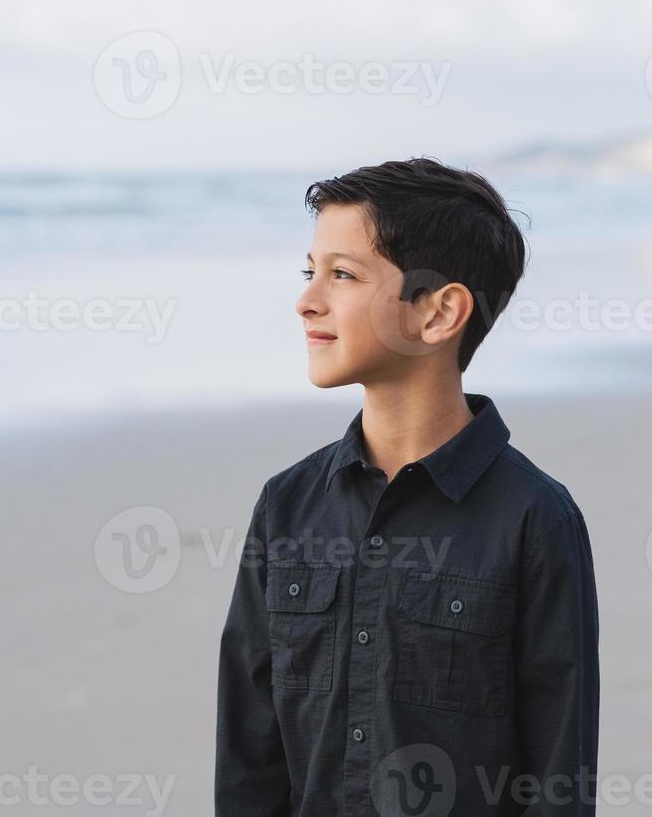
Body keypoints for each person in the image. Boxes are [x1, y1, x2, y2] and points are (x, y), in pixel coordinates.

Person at [214, 156, 600, 817]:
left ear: (440, 312)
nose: (307, 299)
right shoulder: (287, 507)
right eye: (311, 272)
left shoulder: (535, 518)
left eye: (342, 274)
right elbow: (249, 761)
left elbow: (560, 774)